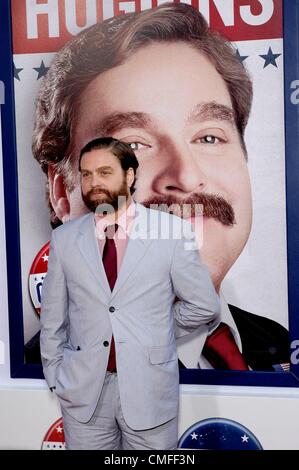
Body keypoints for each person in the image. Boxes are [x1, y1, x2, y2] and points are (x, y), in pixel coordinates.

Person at [31, 2, 289, 371]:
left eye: (210, 137)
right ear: (61, 192)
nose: (185, 176)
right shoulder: (37, 381)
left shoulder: (278, 344)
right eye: (133, 144)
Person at [40, 136, 220, 450]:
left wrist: (155, 330)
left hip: (149, 390)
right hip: (83, 395)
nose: (93, 182)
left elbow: (204, 306)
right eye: (86, 174)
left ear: (130, 176)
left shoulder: (171, 233)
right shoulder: (65, 239)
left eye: (105, 172)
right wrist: (57, 376)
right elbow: (53, 317)